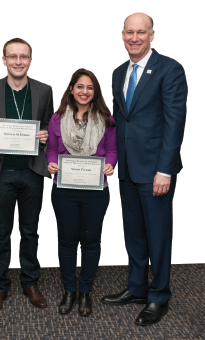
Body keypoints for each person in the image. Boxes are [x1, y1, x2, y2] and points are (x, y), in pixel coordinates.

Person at [101, 13, 188, 326]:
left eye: (141, 32)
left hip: (155, 172)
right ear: (122, 35)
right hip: (127, 168)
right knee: (134, 234)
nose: (134, 38)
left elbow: (174, 123)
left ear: (152, 35)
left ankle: (159, 295)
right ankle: (137, 288)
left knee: (158, 235)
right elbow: (119, 120)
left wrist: (165, 170)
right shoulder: (118, 72)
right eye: (129, 32)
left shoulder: (169, 69)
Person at [0, 38, 53, 314]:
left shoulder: (44, 91)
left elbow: (48, 125)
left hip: (32, 172)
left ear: (30, 60)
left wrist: (45, 136)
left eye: (24, 57)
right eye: (13, 57)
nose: (18, 61)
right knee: (1, 232)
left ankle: (30, 283)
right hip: (2, 173)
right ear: (4, 59)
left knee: (30, 232)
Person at [47, 69, 117, 316]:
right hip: (64, 189)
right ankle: (69, 290)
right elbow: (52, 150)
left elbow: (112, 149)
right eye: (80, 86)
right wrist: (51, 163)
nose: (84, 91)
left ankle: (85, 291)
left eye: (89, 87)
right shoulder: (57, 119)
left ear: (94, 92)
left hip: (95, 191)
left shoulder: (107, 120)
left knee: (90, 242)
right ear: (71, 89)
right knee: (66, 241)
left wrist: (110, 163)